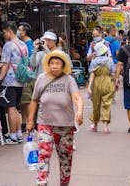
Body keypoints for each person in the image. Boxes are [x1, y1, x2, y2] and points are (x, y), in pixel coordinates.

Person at [27, 51, 84, 186]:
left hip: (65, 127)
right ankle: (42, 182)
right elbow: (34, 100)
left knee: (65, 160)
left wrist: (80, 111)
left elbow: (76, 97)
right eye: (52, 63)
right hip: (45, 124)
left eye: (57, 63)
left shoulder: (69, 80)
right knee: (44, 156)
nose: (54, 66)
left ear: (63, 65)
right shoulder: (41, 79)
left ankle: (64, 184)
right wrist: (30, 120)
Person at [0, 21, 28, 143]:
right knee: (15, 107)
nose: (4, 35)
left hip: (9, 80)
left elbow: (6, 65)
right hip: (21, 79)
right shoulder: (23, 44)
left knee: (11, 108)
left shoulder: (8, 45)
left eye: (4, 32)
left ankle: (13, 135)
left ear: (9, 31)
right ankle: (19, 133)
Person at [87, 42, 115, 133]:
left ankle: (95, 125)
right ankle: (105, 127)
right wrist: (116, 83)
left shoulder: (94, 61)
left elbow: (92, 75)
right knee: (107, 105)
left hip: (96, 83)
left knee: (96, 105)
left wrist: (89, 87)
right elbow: (113, 73)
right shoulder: (109, 60)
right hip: (108, 82)